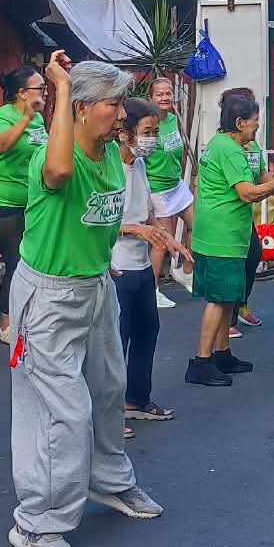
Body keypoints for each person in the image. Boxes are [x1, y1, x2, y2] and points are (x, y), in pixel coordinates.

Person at [5, 53, 165, 547]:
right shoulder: (56, 155)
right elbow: (57, 173)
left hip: (95, 284)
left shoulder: (110, 155)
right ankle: (37, 522)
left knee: (110, 388)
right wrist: (59, 86)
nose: (122, 114)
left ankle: (109, 479)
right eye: (113, 104)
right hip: (48, 296)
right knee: (60, 410)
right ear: (79, 108)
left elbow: (95, 215)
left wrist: (115, 247)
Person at [186, 90, 274, 387]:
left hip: (222, 232)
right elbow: (246, 192)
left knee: (228, 297)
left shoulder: (221, 144)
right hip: (221, 234)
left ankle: (222, 353)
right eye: (254, 121)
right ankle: (201, 360)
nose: (257, 126)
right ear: (239, 122)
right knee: (219, 299)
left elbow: (257, 177)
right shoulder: (231, 151)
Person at [113, 99, 186, 424]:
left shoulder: (139, 166)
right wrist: (136, 230)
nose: (152, 139)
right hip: (116, 268)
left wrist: (168, 238)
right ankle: (108, 416)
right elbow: (93, 222)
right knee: (115, 343)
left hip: (141, 266)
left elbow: (150, 214)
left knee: (147, 332)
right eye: (147, 132)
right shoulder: (109, 168)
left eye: (156, 132)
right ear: (124, 133)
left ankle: (137, 400)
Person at [0, 67, 49, 345]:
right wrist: (26, 118)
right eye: (40, 88)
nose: (44, 93)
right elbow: (1, 145)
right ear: (22, 93)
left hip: (34, 202)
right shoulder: (4, 115)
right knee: (17, 261)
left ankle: (32, 319)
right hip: (4, 201)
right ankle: (7, 325)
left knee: (35, 261)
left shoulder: (39, 120)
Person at [145, 76, 193, 304]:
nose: (165, 98)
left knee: (198, 224)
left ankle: (186, 270)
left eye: (168, 93)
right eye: (160, 94)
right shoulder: (148, 124)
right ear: (151, 98)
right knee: (162, 241)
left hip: (177, 185)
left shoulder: (175, 119)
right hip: (157, 188)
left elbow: (180, 153)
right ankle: (152, 291)